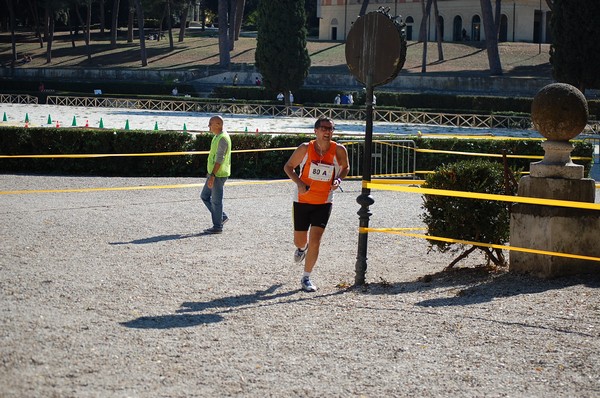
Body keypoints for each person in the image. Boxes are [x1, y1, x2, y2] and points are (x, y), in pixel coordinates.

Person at [283, 117, 349, 292]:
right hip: (302, 200)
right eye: (324, 128)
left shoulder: (339, 149)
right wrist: (299, 183)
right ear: (316, 131)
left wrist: (338, 179)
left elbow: (345, 167)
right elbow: (289, 167)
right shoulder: (305, 148)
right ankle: (300, 248)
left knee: (316, 241)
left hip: (324, 201)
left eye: (331, 129)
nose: (328, 132)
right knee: (300, 240)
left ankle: (306, 277)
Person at [200, 115, 232, 234]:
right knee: (204, 196)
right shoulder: (217, 137)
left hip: (218, 175)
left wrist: (212, 175)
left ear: (218, 125)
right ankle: (221, 217)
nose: (209, 126)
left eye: (210, 123)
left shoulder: (222, 138)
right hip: (214, 174)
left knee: (216, 201)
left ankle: (217, 226)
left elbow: (219, 159)